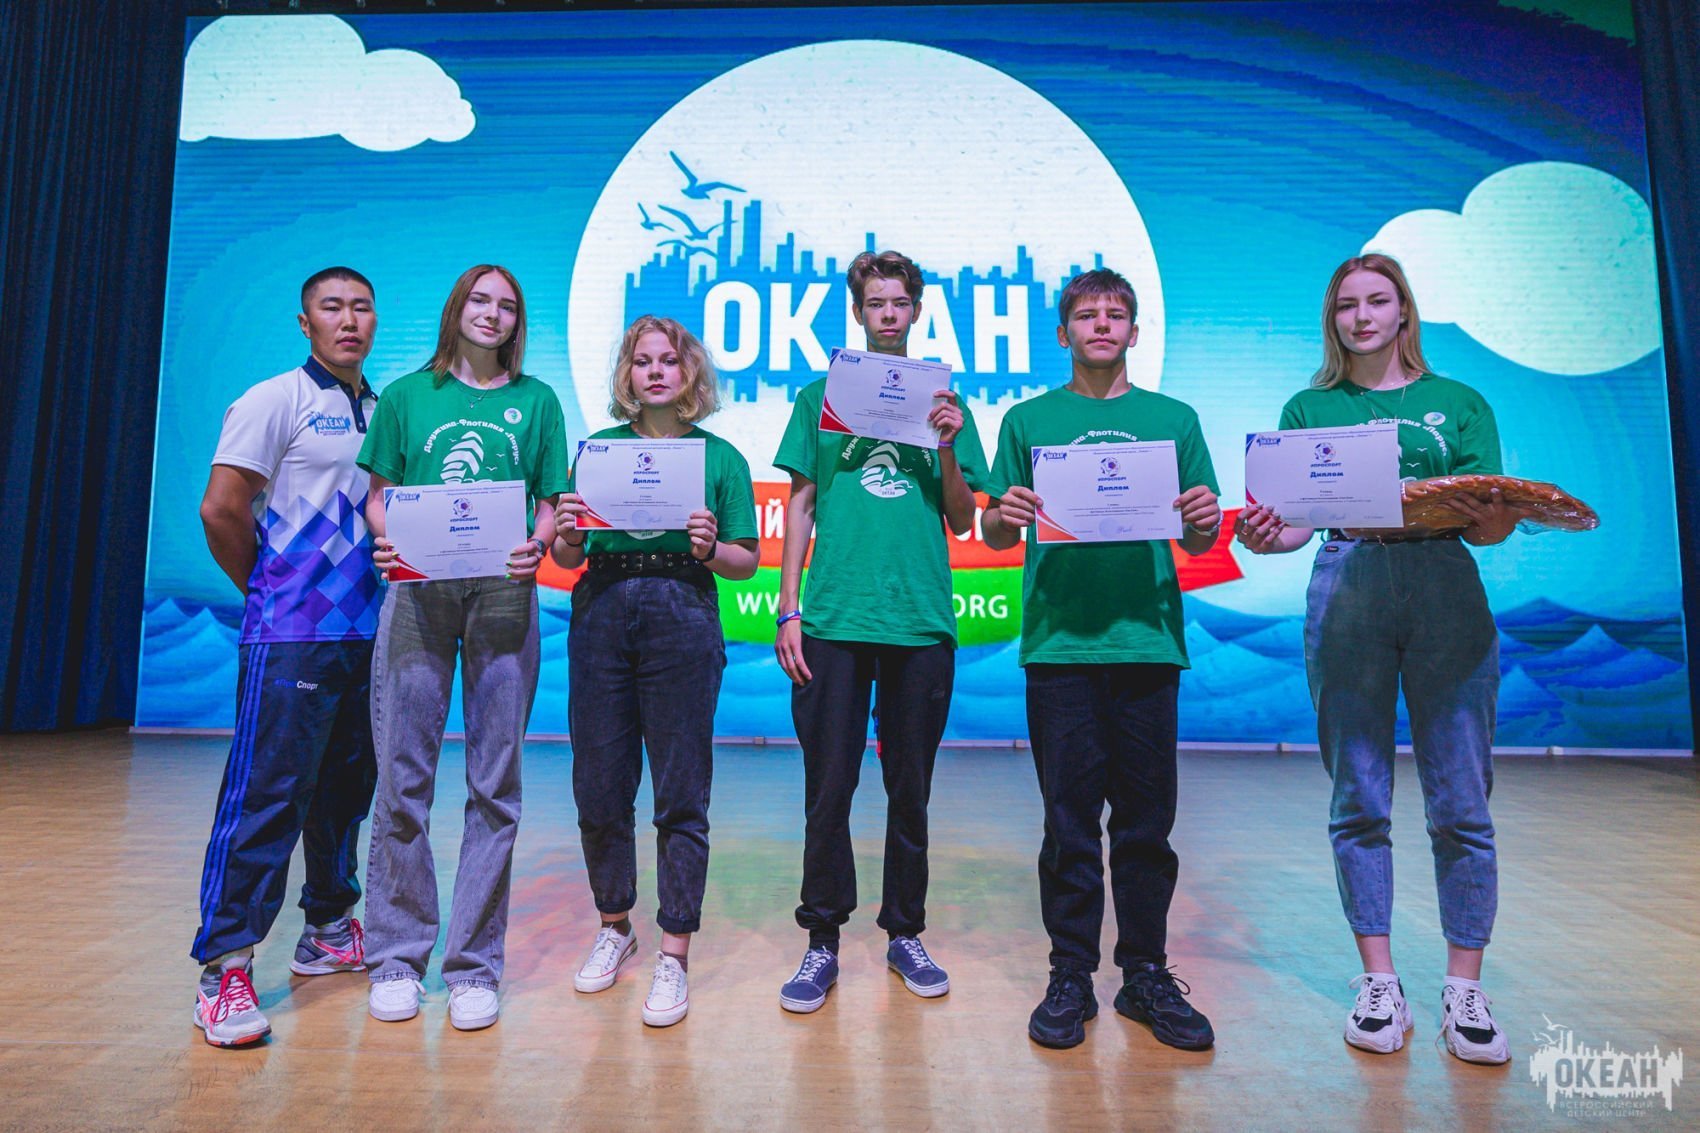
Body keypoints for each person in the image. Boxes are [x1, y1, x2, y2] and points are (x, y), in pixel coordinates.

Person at [1234, 253, 1517, 1064]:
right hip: (1347, 580)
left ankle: (1464, 988)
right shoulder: (1310, 407)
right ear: (1333, 319)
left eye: (1377, 301)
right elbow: (1293, 523)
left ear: (1403, 312)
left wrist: (1498, 514)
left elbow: (1490, 527)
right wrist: (1265, 535)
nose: (1361, 316)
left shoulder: (1460, 403)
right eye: (1346, 304)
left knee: (1461, 800)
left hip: (1443, 585)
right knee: (1358, 793)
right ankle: (1379, 981)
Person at [982, 267, 1220, 1052]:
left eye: (1116, 314)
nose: (1102, 325)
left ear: (1134, 331)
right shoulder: (1027, 420)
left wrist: (1203, 515)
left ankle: (1144, 973)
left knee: (1147, 825)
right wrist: (1005, 512)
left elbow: (1199, 537)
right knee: (1069, 822)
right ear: (1064, 333)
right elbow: (993, 533)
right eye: (1087, 315)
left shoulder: (1173, 420)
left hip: (1148, 641)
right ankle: (1071, 973)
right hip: (1060, 646)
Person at [771, 250, 988, 1012]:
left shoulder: (946, 403)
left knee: (911, 789)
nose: (888, 313)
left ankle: (904, 931)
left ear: (916, 312)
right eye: (876, 302)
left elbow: (962, 515)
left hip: (919, 618)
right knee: (828, 787)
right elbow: (802, 503)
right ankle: (821, 939)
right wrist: (789, 605)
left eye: (900, 302)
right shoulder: (818, 395)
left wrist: (949, 444)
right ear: (859, 311)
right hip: (834, 616)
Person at [357, 264, 568, 1032]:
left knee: (494, 786)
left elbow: (549, 505)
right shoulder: (407, 396)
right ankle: (396, 957)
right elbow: (378, 497)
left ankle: (475, 966)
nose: (493, 314)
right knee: (401, 779)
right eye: (481, 300)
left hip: (504, 595)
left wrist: (537, 544)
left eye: (508, 305)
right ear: (457, 309)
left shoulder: (537, 401)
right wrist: (387, 539)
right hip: (418, 594)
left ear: (518, 322)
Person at [189, 266, 382, 1047]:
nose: (349, 320)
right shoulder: (275, 399)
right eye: (332, 307)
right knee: (268, 796)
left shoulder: (382, 409)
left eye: (362, 308)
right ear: (306, 323)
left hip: (370, 635)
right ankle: (224, 966)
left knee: (344, 793)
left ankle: (329, 928)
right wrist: (269, 592)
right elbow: (221, 508)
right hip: (291, 635)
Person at [551, 315, 758, 1027]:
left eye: (669, 360)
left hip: (683, 609)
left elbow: (745, 560)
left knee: (680, 790)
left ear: (690, 372)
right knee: (599, 785)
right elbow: (570, 556)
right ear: (627, 375)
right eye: (643, 361)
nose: (657, 372)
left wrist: (708, 547)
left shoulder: (720, 458)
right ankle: (615, 926)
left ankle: (674, 952)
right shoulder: (598, 451)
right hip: (602, 609)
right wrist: (569, 533)